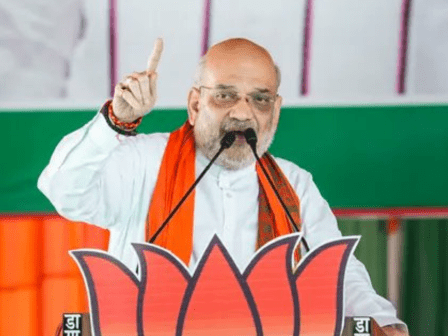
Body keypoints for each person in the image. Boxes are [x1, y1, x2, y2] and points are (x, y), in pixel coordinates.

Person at [38, 37, 408, 335]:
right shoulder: (143, 162)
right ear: (196, 104)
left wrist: (381, 320)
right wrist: (116, 121)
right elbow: (63, 190)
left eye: (260, 99)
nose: (243, 113)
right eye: (226, 95)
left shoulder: (293, 184)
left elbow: (337, 270)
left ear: (275, 111)